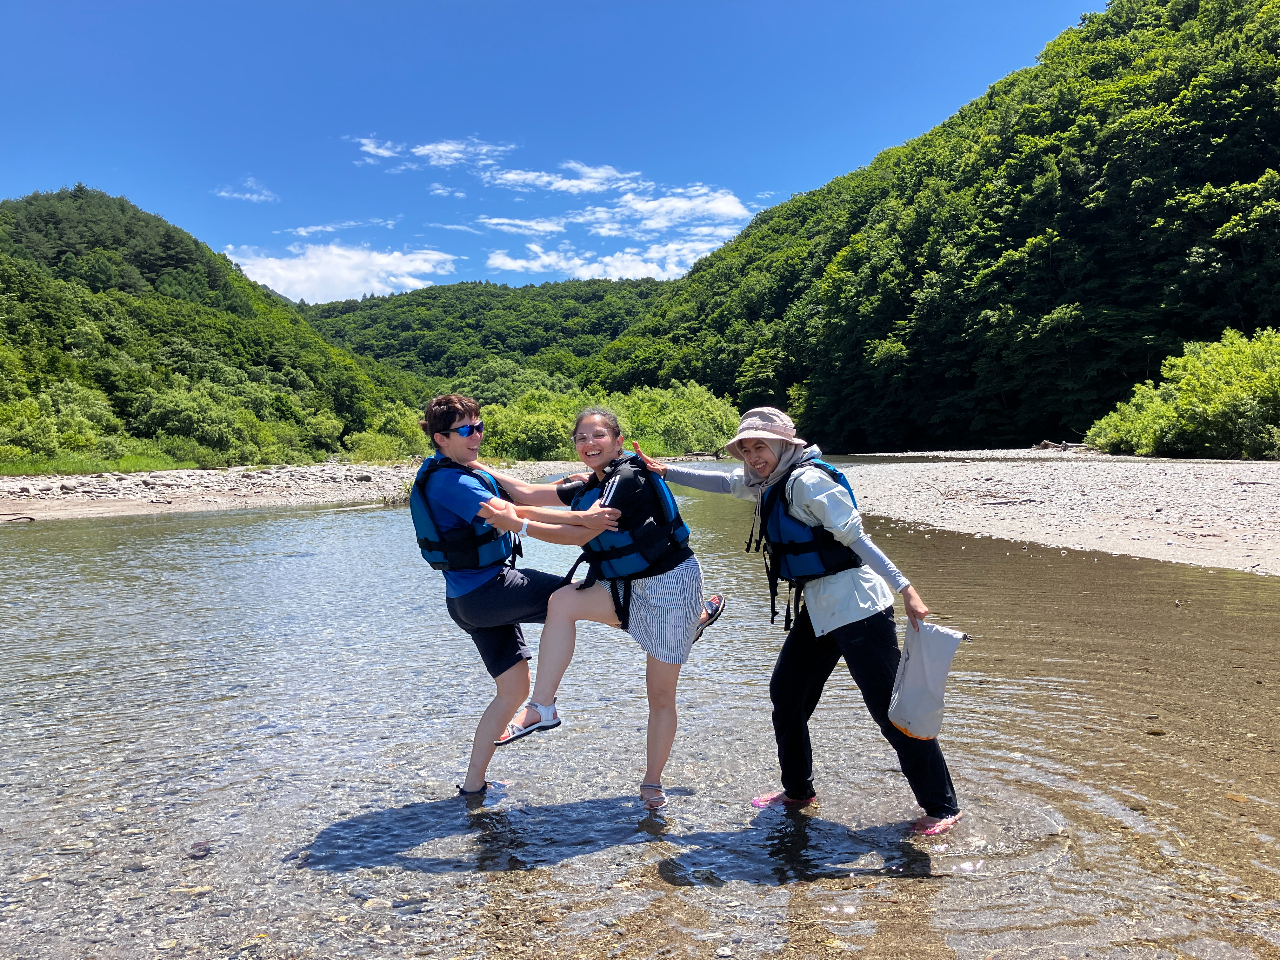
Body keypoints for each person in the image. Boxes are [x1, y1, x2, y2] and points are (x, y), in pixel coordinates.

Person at [631, 407, 962, 835]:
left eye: (760, 447)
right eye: (746, 449)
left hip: (858, 607)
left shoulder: (808, 481)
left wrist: (906, 589)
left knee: (890, 711)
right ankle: (797, 791)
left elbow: (857, 538)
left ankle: (942, 806)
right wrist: (663, 470)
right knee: (787, 694)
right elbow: (722, 482)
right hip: (821, 609)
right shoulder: (769, 481)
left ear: (786, 446)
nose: (752, 456)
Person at [476, 408, 726, 811]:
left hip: (670, 587)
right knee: (563, 601)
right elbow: (526, 493)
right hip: (622, 584)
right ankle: (542, 707)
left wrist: (516, 523)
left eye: (598, 436)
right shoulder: (587, 484)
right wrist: (473, 466)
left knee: (659, 695)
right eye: (581, 438)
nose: (589, 444)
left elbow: (583, 529)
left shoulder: (628, 480)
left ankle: (651, 781)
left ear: (618, 441)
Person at [410, 395, 623, 799]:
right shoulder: (448, 481)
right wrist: (584, 519)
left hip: (468, 601)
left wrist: (583, 482)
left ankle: (473, 786)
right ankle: (675, 622)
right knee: (572, 597)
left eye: (479, 426)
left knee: (511, 690)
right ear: (440, 438)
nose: (477, 436)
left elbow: (527, 494)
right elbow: (512, 514)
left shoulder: (462, 467)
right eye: (466, 430)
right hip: (487, 593)